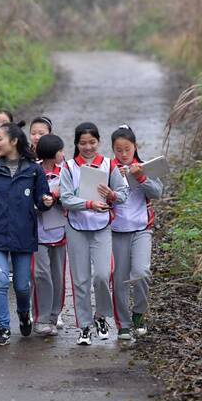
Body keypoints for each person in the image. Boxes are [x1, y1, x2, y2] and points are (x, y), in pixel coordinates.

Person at [0, 123, 54, 346]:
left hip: (23, 234)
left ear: (14, 141)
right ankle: (4, 328)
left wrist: (46, 202)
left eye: (0, 139)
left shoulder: (33, 170)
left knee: (21, 285)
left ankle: (23, 313)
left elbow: (42, 199)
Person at [60, 122, 127, 346]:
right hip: (76, 226)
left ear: (98, 142)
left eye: (92, 142)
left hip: (101, 227)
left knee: (102, 275)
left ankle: (101, 316)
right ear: (76, 144)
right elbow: (66, 198)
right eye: (83, 143)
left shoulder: (109, 165)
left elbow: (123, 194)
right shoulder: (69, 167)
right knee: (80, 280)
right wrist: (89, 203)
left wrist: (111, 195)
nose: (88, 147)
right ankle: (84, 327)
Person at [110, 125, 163, 340]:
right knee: (120, 277)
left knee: (141, 272)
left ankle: (139, 314)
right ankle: (123, 323)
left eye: (127, 149)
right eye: (118, 150)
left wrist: (141, 177)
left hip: (142, 229)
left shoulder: (144, 167)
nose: (123, 154)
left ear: (135, 147)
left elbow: (158, 193)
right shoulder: (108, 168)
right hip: (116, 231)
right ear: (113, 149)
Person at [31, 134, 66, 336]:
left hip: (59, 229)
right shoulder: (32, 171)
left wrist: (61, 196)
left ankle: (54, 316)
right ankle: (41, 318)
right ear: (53, 154)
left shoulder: (66, 171)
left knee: (57, 276)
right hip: (37, 232)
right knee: (40, 274)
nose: (63, 154)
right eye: (60, 151)